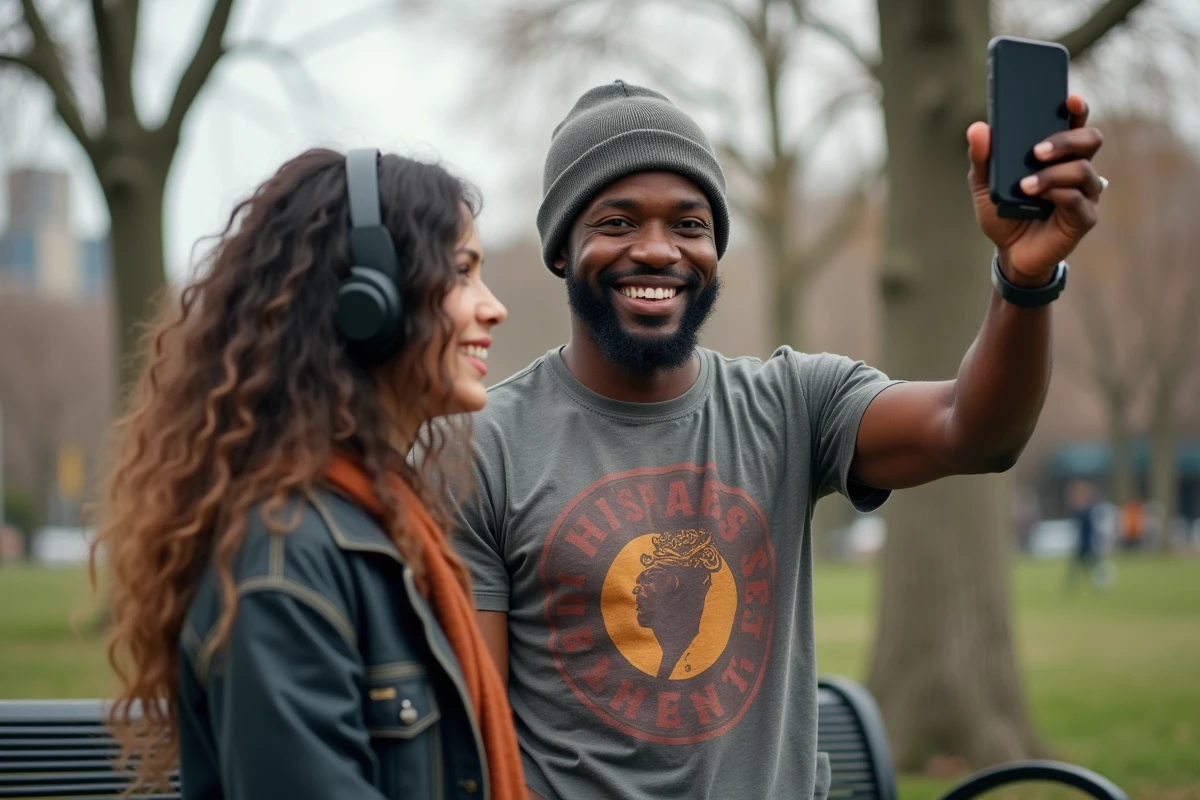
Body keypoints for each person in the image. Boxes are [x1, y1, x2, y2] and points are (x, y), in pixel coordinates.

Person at [454, 80, 1105, 799]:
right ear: (559, 249)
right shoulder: (485, 447)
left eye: (691, 224)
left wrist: (1026, 275)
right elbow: (479, 747)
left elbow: (976, 433)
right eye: (616, 221)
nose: (658, 250)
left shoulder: (794, 404)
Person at [90, 148, 528, 799]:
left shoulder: (389, 532)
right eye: (462, 273)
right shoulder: (283, 564)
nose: (494, 309)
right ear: (367, 301)